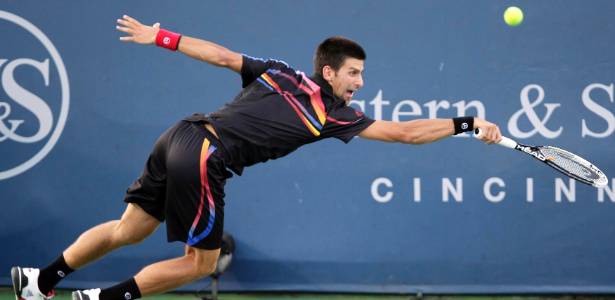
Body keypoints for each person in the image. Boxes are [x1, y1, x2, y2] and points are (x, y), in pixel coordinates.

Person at [11, 15, 502, 300]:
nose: (360, 83)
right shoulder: (332, 114)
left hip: (178, 135)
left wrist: (163, 37)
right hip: (206, 154)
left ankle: (40, 280)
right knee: (200, 263)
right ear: (329, 73)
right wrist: (467, 122)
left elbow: (224, 56)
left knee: (129, 229)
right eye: (354, 74)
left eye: (363, 75)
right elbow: (404, 134)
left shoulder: (281, 73)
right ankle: (103, 299)